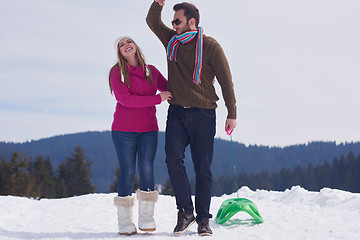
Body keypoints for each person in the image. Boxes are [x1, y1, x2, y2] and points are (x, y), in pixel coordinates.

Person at [146, 0, 237, 237]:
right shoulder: (171, 41)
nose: (173, 25)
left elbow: (226, 81)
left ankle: (203, 220)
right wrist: (158, 3)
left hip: (204, 113)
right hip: (176, 112)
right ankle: (185, 211)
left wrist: (232, 113)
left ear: (192, 22)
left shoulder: (210, 46)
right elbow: (152, 21)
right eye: (173, 21)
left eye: (177, 21)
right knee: (172, 158)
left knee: (202, 168)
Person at [109, 36, 172, 235]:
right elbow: (126, 99)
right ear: (120, 52)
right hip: (123, 130)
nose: (126, 45)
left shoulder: (151, 71)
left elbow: (172, 87)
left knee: (146, 168)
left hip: (148, 129)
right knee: (127, 171)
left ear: (135, 46)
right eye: (121, 44)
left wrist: (201, 81)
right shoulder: (116, 72)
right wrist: (157, 99)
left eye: (129, 42)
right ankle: (124, 221)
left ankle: (146, 218)